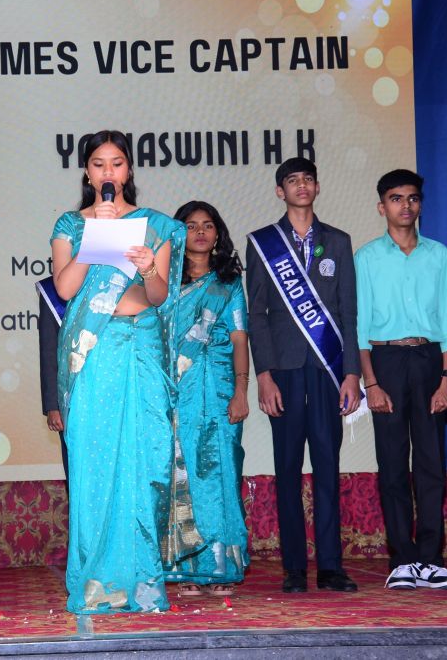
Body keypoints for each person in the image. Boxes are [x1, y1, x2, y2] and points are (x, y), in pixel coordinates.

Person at [51, 130, 187, 614]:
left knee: (145, 459)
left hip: (142, 345)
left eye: (116, 163)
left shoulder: (158, 226)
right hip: (95, 349)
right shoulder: (71, 224)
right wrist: (93, 241)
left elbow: (158, 296)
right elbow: (65, 290)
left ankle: (142, 580)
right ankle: (97, 580)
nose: (108, 172)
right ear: (87, 173)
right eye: (98, 164)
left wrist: (149, 267)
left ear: (128, 170)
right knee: (96, 460)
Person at [245, 157, 361, 594]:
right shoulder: (263, 243)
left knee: (328, 466)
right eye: (292, 181)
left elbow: (349, 314)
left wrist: (351, 373)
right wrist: (264, 375)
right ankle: (294, 568)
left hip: (329, 371)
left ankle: (331, 567)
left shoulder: (339, 241)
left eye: (308, 179)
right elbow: (257, 314)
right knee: (288, 469)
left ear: (317, 187)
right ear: (281, 191)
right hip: (284, 372)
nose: (301, 186)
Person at [355, 169, 447, 590]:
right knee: (392, 462)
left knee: (431, 463)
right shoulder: (367, 257)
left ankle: (432, 559)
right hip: (385, 361)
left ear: (421, 204)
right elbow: (360, 327)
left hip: (429, 359)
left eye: (413, 198)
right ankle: (402, 559)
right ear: (381, 206)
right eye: (396, 198)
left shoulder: (439, 255)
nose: (406, 205)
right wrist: (371, 383)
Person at [169, 201, 250, 597]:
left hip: (219, 391)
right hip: (178, 391)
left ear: (218, 233)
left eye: (207, 225)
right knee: (181, 472)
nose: (200, 232)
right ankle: (186, 566)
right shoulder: (166, 283)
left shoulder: (228, 283)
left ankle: (221, 567)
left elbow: (240, 339)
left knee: (220, 472)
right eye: (191, 225)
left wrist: (241, 391)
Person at [36, 276, 68, 481]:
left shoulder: (116, 281)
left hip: (115, 394)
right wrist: (53, 406)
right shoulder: (53, 290)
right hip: (71, 399)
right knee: (77, 472)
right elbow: (49, 351)